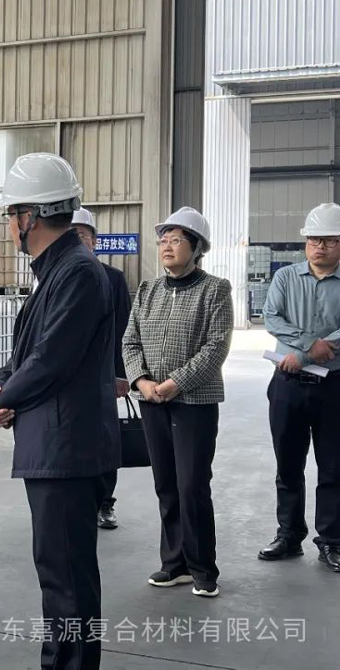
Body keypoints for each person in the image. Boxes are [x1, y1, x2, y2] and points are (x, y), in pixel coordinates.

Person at [0, 153, 119, 670]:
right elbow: (26, 353)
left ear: (30, 217)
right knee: (59, 574)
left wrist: (6, 397)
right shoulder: (57, 271)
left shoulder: (77, 272)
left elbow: (50, 359)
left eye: (11, 214)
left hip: (66, 451)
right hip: (55, 447)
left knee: (67, 581)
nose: (9, 225)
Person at [122, 207, 233, 598]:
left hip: (194, 403)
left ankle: (203, 568)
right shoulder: (148, 290)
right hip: (153, 400)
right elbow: (129, 340)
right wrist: (141, 381)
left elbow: (216, 346)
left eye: (176, 240)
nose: (166, 247)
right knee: (166, 484)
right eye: (163, 240)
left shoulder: (215, 289)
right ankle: (175, 564)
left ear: (197, 247)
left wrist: (175, 383)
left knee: (192, 485)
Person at [258, 203, 340, 574]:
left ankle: (332, 540)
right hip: (288, 384)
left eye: (329, 240)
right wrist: (309, 346)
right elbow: (272, 317)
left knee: (334, 466)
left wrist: (311, 352)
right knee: (288, 464)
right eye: (313, 240)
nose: (319, 247)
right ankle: (289, 535)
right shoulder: (285, 278)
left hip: (334, 386)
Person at [71, 207, 132, 530]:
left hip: (103, 377)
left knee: (105, 440)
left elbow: (124, 330)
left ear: (95, 241)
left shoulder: (113, 278)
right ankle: (79, 501)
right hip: (66, 378)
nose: (77, 240)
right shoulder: (50, 277)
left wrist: (121, 374)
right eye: (71, 235)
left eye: (82, 235)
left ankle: (105, 502)